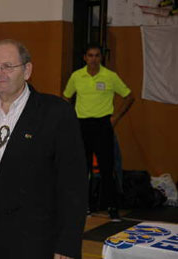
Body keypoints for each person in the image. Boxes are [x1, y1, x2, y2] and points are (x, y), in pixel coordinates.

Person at [0, 39, 88, 259]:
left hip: (37, 243)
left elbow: (73, 185)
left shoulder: (56, 113)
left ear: (27, 70)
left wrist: (68, 244)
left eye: (7, 66)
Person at [63, 43, 134, 222]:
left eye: (96, 56)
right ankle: (85, 206)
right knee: (82, 168)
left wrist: (115, 118)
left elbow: (129, 96)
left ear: (101, 58)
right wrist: (71, 118)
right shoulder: (76, 76)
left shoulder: (110, 76)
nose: (93, 59)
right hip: (82, 125)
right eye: (90, 55)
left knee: (107, 167)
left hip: (103, 125)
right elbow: (66, 96)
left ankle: (112, 208)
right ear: (84, 58)